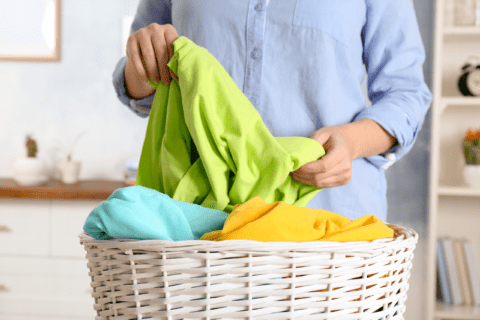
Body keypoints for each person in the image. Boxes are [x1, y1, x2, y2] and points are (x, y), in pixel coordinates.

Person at [112, 0, 432, 221]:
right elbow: (142, 85)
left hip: (329, 222)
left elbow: (405, 92)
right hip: (199, 224)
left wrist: (351, 142)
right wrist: (143, 67)